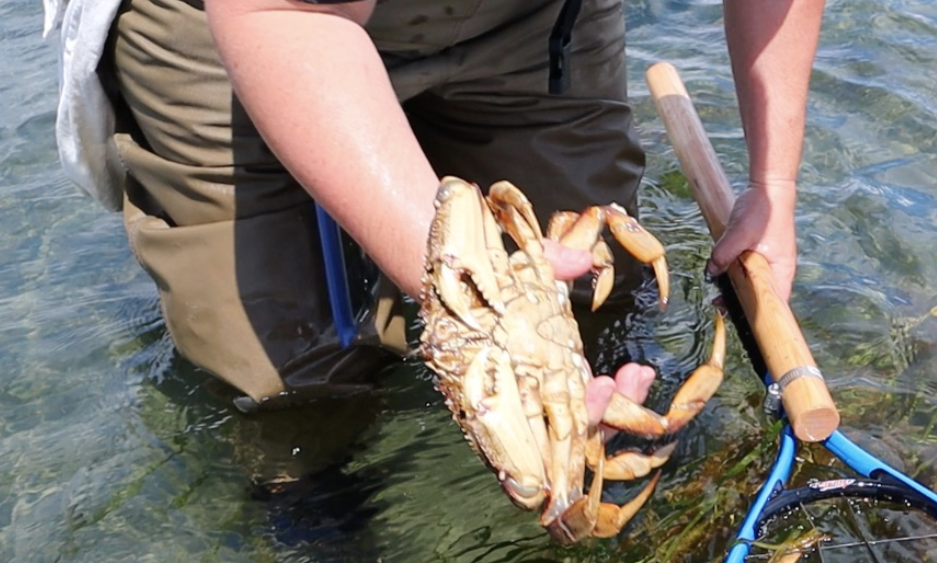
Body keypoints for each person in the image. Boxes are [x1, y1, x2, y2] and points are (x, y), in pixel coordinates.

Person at [44, 0, 822, 479]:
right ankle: (319, 561)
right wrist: (471, 296)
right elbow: (285, 13)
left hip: (531, 17)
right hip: (258, 15)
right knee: (294, 380)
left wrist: (772, 189)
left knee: (598, 293)